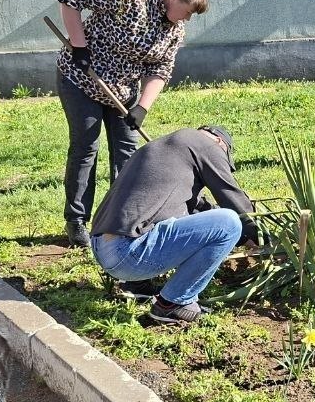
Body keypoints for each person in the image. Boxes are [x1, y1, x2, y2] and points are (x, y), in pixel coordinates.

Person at [56, 0, 208, 248]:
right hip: (82, 79)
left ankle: (121, 219)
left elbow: (161, 70)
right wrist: (79, 46)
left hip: (122, 91)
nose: (186, 19)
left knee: (127, 153)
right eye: (187, 12)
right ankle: (76, 221)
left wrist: (142, 107)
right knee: (86, 147)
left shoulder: (174, 30)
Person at [90, 126, 257, 324]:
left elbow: (196, 208)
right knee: (229, 223)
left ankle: (137, 286)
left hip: (102, 247)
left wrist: (244, 238)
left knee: (164, 219)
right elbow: (232, 198)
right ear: (220, 143)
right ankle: (173, 304)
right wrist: (261, 236)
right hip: (129, 252)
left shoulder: (161, 148)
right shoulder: (206, 145)